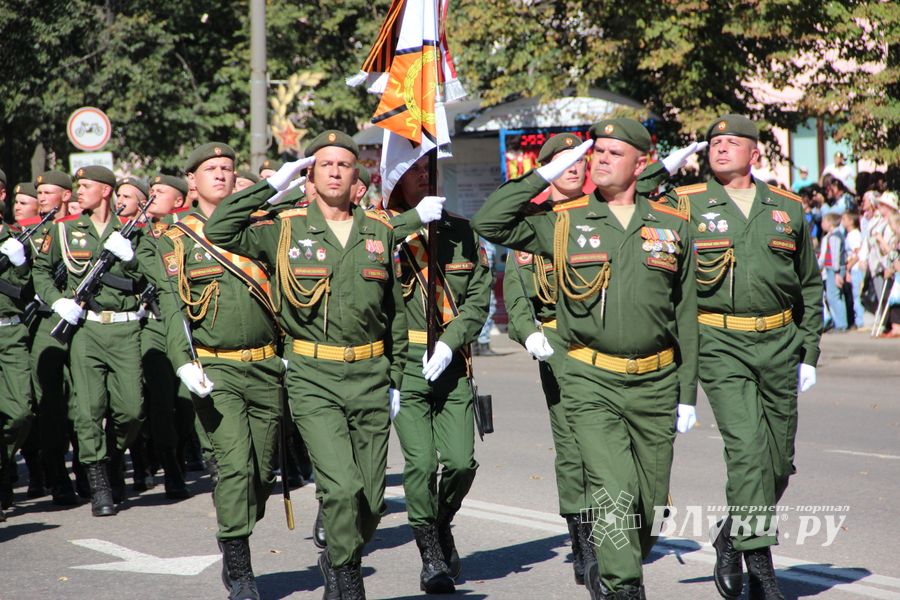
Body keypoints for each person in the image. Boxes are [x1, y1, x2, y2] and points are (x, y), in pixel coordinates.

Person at [473, 118, 699, 600]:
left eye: (613, 153)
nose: (599, 160)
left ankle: (621, 563)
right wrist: (542, 175)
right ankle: (622, 587)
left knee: (650, 505)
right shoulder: (564, 223)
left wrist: (687, 393)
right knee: (613, 493)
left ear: (641, 164)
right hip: (590, 380)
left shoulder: (673, 224)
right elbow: (489, 222)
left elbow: (686, 317)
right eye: (596, 152)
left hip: (656, 382)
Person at [204, 131, 409, 600]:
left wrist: (395, 378)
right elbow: (219, 230)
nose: (335, 170)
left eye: (344, 164)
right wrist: (272, 185)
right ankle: (345, 574)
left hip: (371, 376)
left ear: (358, 175)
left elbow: (393, 312)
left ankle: (338, 554)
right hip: (313, 376)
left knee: (371, 499)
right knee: (339, 488)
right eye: (324, 164)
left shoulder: (378, 231)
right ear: (311, 176)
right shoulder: (286, 227)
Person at [666, 115, 822, 600]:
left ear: (755, 153)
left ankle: (732, 535)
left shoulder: (787, 208)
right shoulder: (685, 204)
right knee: (749, 455)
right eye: (714, 143)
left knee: (778, 463)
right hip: (719, 343)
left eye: (732, 142)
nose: (720, 148)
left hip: (780, 342)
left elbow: (810, 285)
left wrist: (810, 350)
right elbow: (635, 198)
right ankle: (762, 571)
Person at [156, 143, 283, 600]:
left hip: (267, 365)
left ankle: (234, 528)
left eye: (228, 168)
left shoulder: (263, 229)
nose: (221, 175)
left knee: (262, 473)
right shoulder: (172, 238)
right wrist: (182, 361)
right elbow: (172, 309)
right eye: (210, 168)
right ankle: (240, 563)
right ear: (192, 180)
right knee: (234, 468)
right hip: (215, 369)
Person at [384, 155, 490, 593]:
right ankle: (430, 553)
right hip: (405, 363)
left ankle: (441, 522)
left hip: (452, 361)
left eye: (428, 169)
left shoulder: (461, 232)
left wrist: (450, 342)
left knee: (462, 463)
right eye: (413, 169)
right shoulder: (381, 233)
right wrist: (408, 224)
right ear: (395, 179)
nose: (424, 175)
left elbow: (478, 298)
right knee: (422, 464)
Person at [500, 132, 592, 585]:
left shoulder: (604, 213)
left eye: (579, 159)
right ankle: (584, 538)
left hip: (606, 343)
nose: (573, 166)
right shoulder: (531, 222)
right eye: (562, 160)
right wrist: (528, 333)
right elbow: (517, 295)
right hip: (557, 343)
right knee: (573, 445)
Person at [32, 166, 146, 517]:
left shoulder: (131, 231)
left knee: (131, 410)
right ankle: (99, 483)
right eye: (78, 186)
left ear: (106, 191)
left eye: (86, 186)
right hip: (86, 330)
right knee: (89, 410)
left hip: (125, 328)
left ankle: (110, 457)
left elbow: (147, 277)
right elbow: (40, 271)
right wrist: (57, 301)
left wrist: (132, 257)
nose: (79, 191)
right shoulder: (64, 230)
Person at [28, 171, 83, 505]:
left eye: (49, 192)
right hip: (46, 323)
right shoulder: (31, 233)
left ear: (66, 195)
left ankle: (88, 467)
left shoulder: (81, 228)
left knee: (84, 403)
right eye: (40, 193)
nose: (43, 197)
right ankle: (58, 478)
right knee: (50, 403)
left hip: (82, 324)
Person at [0, 194, 36, 513]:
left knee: (21, 413)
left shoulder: (15, 236)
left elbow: (28, 287)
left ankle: (5, 459)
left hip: (10, 330)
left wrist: (21, 262)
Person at [818, 213, 848, 332]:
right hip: (832, 269)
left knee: (833, 296)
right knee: (833, 296)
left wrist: (836, 273)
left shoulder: (834, 236)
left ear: (830, 223)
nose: (822, 224)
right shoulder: (831, 236)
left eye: (824, 221)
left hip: (834, 270)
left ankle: (841, 324)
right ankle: (839, 323)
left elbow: (835, 256)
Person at [841, 210, 865, 330]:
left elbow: (857, 253)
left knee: (857, 296)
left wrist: (848, 267)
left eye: (844, 219)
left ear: (851, 221)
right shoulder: (849, 234)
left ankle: (860, 321)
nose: (842, 221)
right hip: (852, 269)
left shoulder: (854, 235)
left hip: (855, 269)